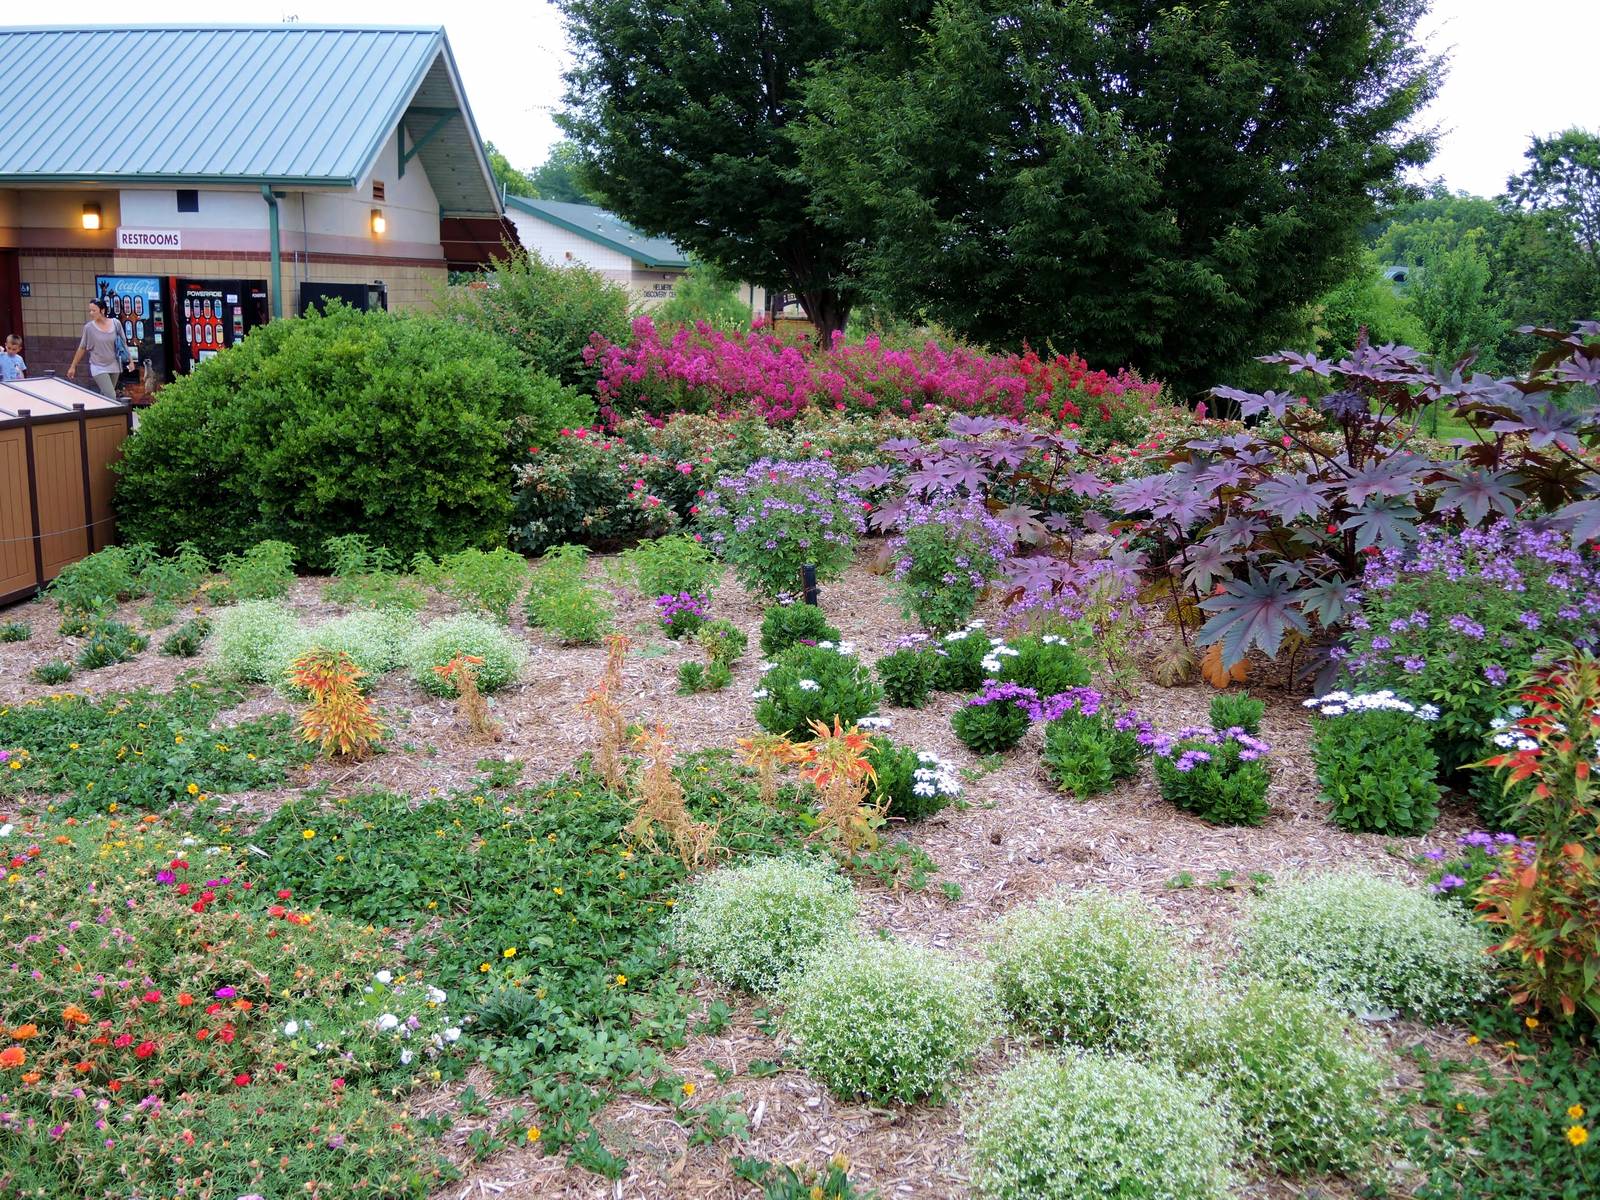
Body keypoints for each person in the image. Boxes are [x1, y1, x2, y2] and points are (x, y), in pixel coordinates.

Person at [67, 299, 123, 397]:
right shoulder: (89, 328)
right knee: (111, 395)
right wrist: (73, 366)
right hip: (98, 366)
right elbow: (82, 347)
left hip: (114, 364)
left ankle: (100, 411)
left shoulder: (115, 323)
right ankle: (110, 412)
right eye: (90, 310)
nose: (91, 313)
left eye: (94, 310)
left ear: (102, 310)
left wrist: (130, 360)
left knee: (105, 395)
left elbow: (123, 343)